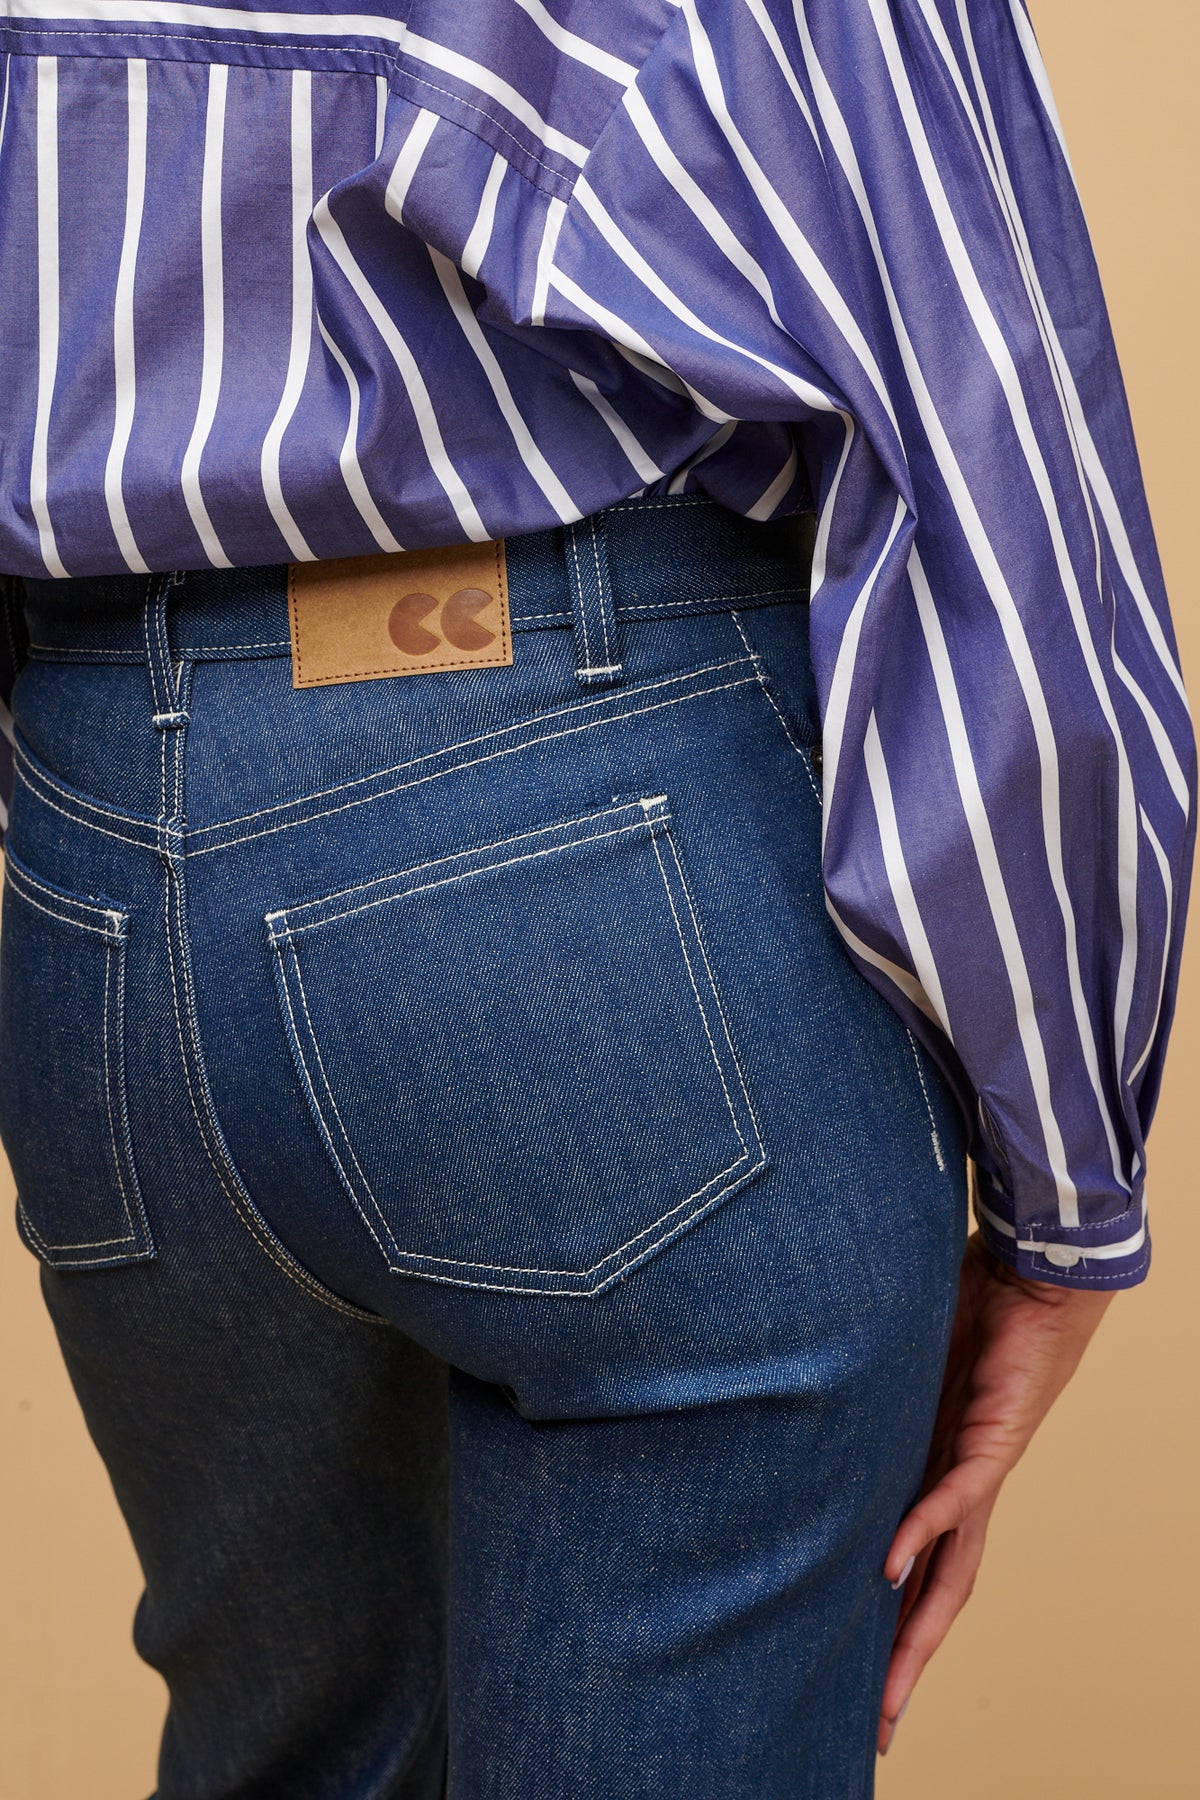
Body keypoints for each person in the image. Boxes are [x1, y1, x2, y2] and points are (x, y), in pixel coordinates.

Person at [0, 3, 1192, 1795]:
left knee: (292, 1738)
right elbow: (986, 457)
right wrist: (1067, 1184)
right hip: (592, 816)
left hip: (93, 843)